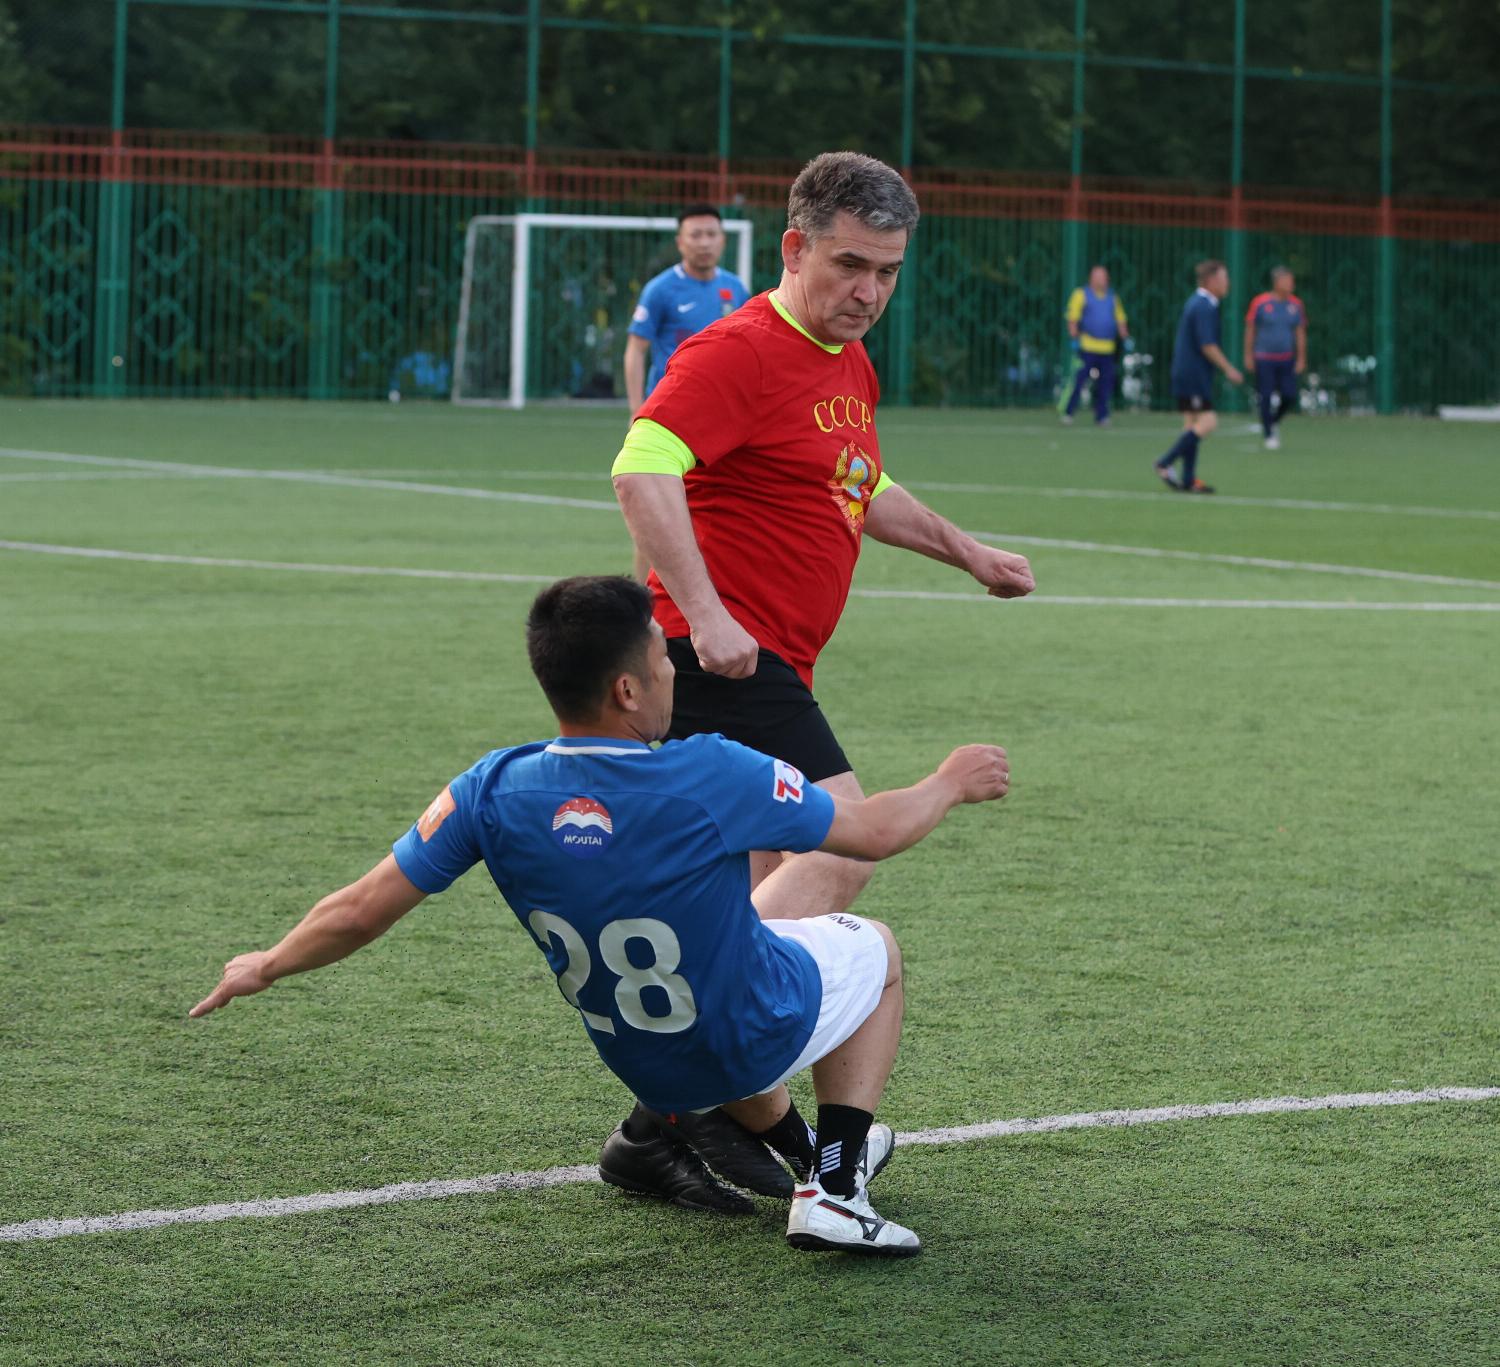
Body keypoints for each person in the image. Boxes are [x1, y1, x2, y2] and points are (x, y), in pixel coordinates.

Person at [190, 575, 1013, 1256]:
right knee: (875, 949)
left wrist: (267, 963)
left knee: (741, 955)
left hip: (647, 1066)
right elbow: (872, 832)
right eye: (662, 658)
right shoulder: (709, 771)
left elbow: (360, 910)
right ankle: (834, 1188)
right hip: (740, 1032)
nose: (672, 672)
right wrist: (948, 781)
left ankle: (808, 1158)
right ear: (627, 689)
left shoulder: (490, 788)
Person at [607, 150, 1035, 1204]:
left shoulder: (847, 362)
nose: (870, 291)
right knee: (840, 841)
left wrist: (968, 551)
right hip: (720, 662)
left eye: (888, 271)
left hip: (772, 662)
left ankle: (657, 1124)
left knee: (763, 893)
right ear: (795, 248)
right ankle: (700, 1091)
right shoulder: (739, 350)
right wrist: (707, 613)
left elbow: (859, 482)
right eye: (850, 265)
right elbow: (641, 466)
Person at [623, 204, 750, 419]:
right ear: (680, 243)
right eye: (696, 235)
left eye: (711, 234)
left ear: (723, 240)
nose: (704, 243)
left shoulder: (736, 288)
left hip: (720, 409)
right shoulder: (659, 289)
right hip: (668, 409)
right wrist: (636, 409)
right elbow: (636, 349)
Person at [1154, 259, 1244, 494]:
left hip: (1186, 372)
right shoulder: (1204, 306)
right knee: (1208, 422)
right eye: (1224, 278)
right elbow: (1208, 345)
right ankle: (1165, 462)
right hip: (1193, 374)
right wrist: (1229, 369)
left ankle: (1188, 479)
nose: (1228, 283)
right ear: (1212, 281)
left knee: (1191, 425)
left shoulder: (1198, 302)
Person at [1243, 266, 1307, 451]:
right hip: (1264, 358)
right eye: (1287, 280)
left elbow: (1300, 333)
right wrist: (1248, 356)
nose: (1291, 284)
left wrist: (1301, 358)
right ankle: (1269, 434)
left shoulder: (1296, 305)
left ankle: (1273, 421)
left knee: (1289, 395)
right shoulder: (1260, 303)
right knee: (1265, 396)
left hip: (1286, 358)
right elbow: (1250, 330)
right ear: (1277, 282)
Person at [1060, 264, 1130, 426]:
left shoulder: (1112, 297)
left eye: (1104, 277)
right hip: (1087, 347)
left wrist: (1126, 338)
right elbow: (1072, 318)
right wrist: (1074, 338)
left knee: (1106, 384)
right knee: (1079, 381)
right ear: (1091, 278)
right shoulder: (1081, 294)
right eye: (1098, 276)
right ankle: (1068, 411)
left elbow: (1120, 320)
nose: (1102, 280)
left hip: (1108, 348)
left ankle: (1102, 415)